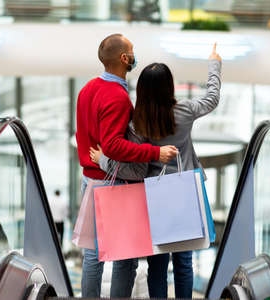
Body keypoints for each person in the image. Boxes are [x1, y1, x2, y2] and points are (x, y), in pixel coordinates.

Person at [89, 43, 222, 298]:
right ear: (169, 87)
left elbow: (130, 166)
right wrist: (214, 62)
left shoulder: (138, 124)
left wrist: (102, 160)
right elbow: (213, 97)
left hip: (153, 197)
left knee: (157, 264)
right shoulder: (185, 111)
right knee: (184, 262)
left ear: (142, 91)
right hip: (186, 193)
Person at [75, 33, 178, 298]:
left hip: (89, 178)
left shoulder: (88, 88)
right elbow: (113, 146)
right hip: (111, 183)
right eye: (132, 51)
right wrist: (155, 152)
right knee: (124, 257)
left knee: (93, 255)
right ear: (124, 58)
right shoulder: (117, 97)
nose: (134, 55)